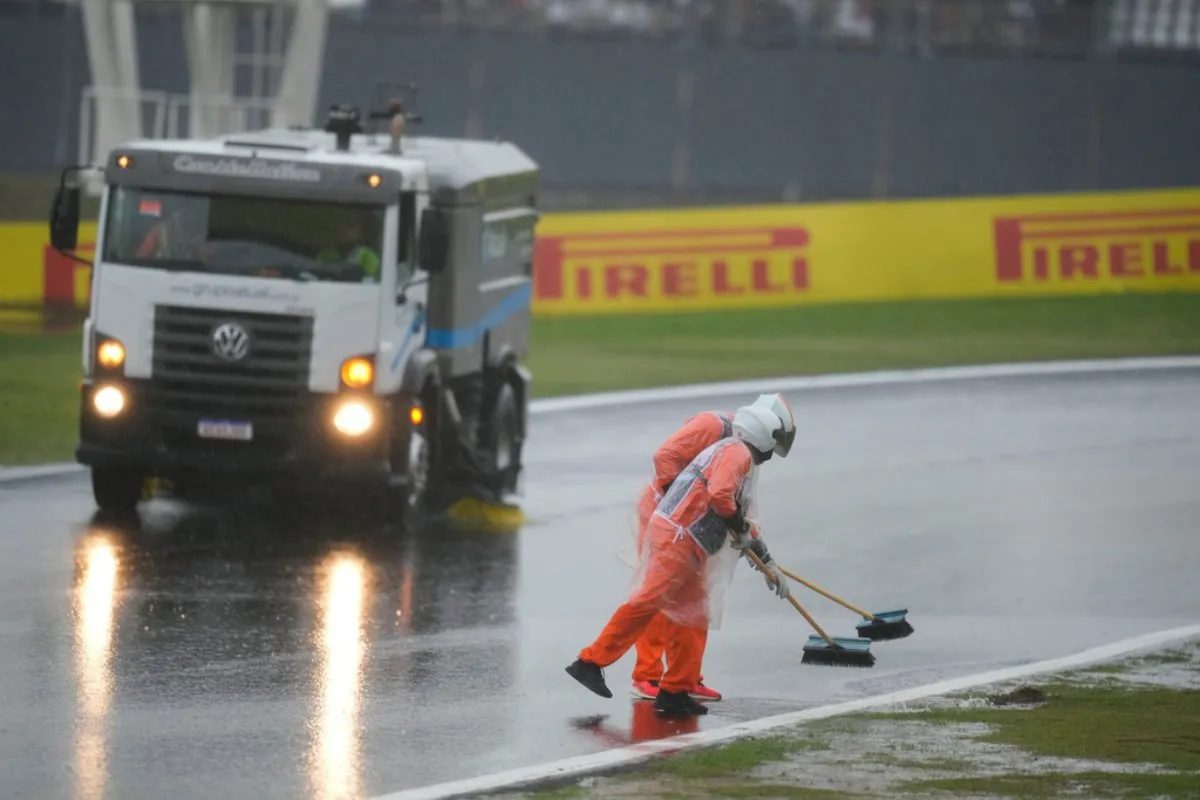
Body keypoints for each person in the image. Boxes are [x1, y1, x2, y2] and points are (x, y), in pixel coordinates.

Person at [566, 399, 796, 718]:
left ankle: (675, 691)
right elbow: (720, 496)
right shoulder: (737, 452)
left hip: (687, 538)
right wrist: (739, 526)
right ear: (767, 434)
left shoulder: (735, 448)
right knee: (649, 600)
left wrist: (768, 562)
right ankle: (590, 662)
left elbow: (738, 510)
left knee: (693, 612)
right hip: (678, 535)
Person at [629, 393, 795, 704]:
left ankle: (684, 677)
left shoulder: (748, 452)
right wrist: (678, 507)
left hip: (694, 526)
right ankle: (646, 675)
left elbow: (744, 509)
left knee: (696, 601)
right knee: (658, 591)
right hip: (664, 516)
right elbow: (664, 457)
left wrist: (767, 562)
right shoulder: (713, 426)